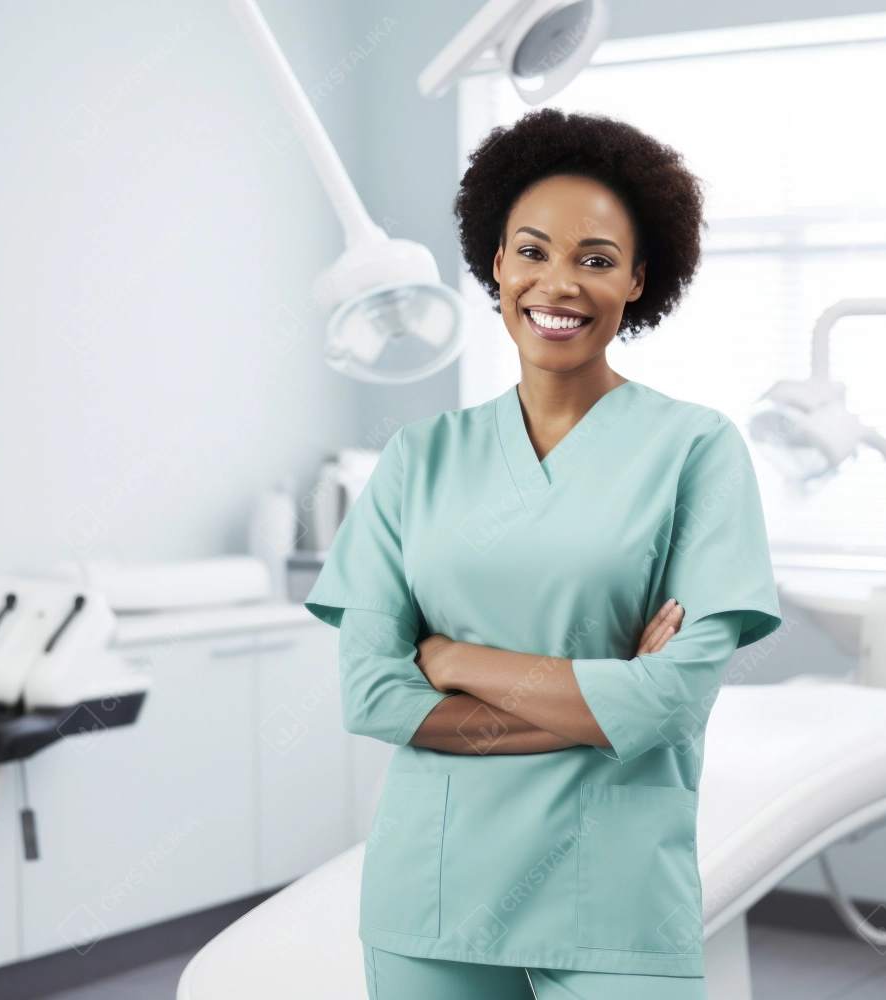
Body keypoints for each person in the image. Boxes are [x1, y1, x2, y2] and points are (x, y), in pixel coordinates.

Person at [305, 107, 782, 1000]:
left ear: (640, 279)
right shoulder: (420, 460)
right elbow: (372, 696)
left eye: (595, 260)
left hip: (618, 897)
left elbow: (672, 704)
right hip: (436, 891)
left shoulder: (696, 451)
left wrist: (452, 659)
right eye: (532, 251)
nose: (557, 284)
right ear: (495, 262)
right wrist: (599, 703)